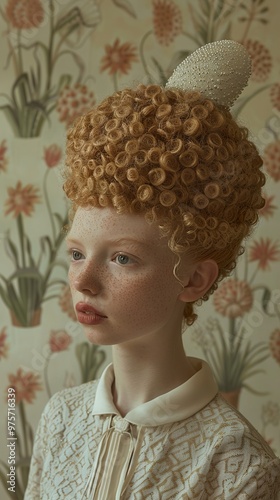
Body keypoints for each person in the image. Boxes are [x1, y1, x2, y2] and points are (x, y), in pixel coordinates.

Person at [25, 40, 280, 499]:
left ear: (194, 279)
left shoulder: (238, 465)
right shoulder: (59, 417)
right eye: (78, 253)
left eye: (122, 258)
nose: (82, 281)